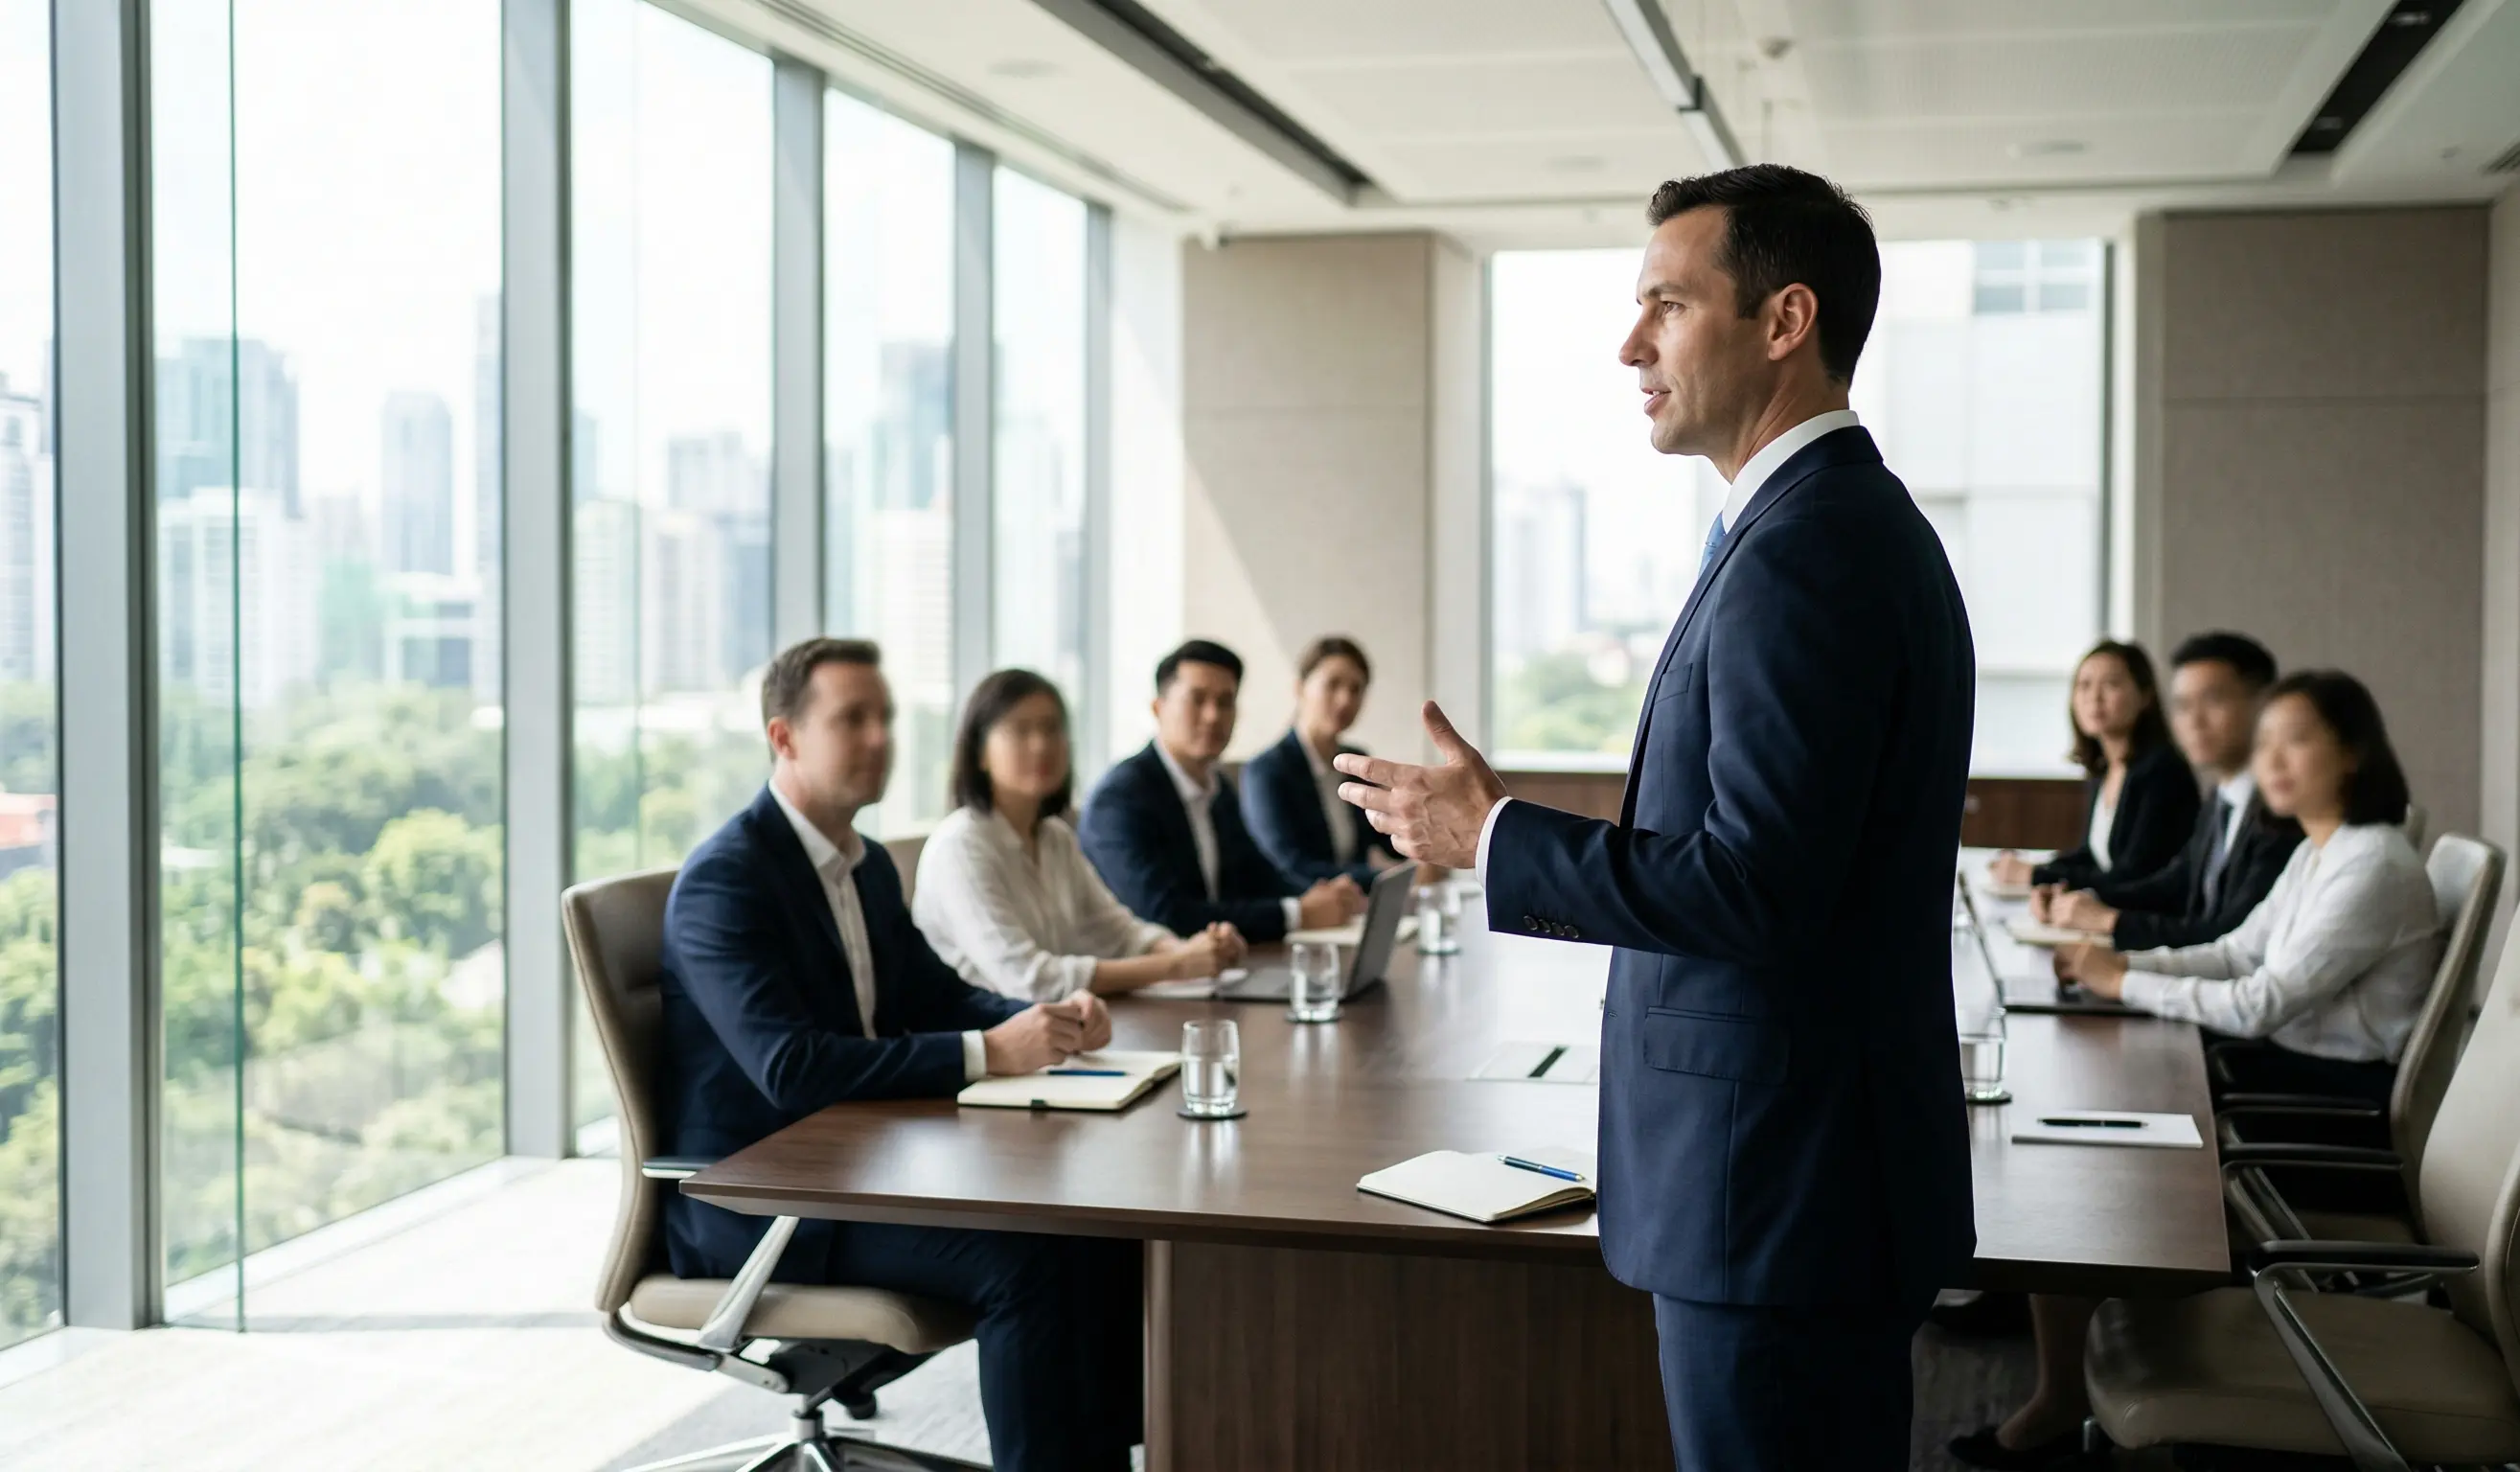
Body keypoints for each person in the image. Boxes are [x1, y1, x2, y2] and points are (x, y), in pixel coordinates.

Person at [1333, 165, 1976, 1469]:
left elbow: (1756, 887)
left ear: (1782, 320)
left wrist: (1496, 836)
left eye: (1667, 306)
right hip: (1790, 1179)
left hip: (1775, 1192)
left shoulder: (1808, 545)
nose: (1630, 343)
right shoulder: (1811, 523)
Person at [656, 637, 1141, 1472]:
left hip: (857, 1167)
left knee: (1092, 1226)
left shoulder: (867, 865)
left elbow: (934, 997)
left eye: (884, 717)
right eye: (853, 720)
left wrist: (1043, 1020)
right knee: (1024, 1257)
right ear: (785, 738)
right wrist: (990, 1050)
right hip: (760, 1202)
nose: (879, 737)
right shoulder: (727, 881)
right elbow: (794, 1068)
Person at [1952, 670, 2440, 1469]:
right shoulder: (2326, 850)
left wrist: (2127, 979)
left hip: (2327, 1108)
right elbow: (2234, 951)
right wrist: (2124, 960)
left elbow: (2261, 1001)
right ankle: (2067, 1373)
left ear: (2352, 753)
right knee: (2094, 1118)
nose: (2272, 757)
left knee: (2092, 1152)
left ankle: (2076, 1382)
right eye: (2268, 740)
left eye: (2298, 739)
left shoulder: (2371, 864)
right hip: (2284, 1077)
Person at [915, 668, 1247, 1000]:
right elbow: (1031, 980)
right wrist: (1175, 966)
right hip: (991, 1040)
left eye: (1052, 728)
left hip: (1062, 1028)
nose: (1041, 744)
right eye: (1021, 730)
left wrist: (1196, 951)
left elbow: (1119, 932)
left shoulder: (1054, 837)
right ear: (980, 752)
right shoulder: (960, 846)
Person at [1078, 639, 1363, 944]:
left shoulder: (1218, 786)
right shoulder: (1120, 799)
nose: (1213, 716)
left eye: (1225, 702)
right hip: (1145, 979)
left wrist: (1322, 896)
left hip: (1220, 965)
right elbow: (1166, 914)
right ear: (1158, 708)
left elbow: (1259, 876)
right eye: (1197, 700)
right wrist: (1297, 913)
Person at [2033, 632, 2302, 950]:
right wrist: (2082, 899)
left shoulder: (2282, 810)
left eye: (2213, 700)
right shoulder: (2222, 797)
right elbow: (2177, 881)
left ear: (2264, 704)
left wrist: (2110, 920)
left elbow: (2230, 936)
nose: (2195, 720)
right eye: (2184, 705)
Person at [1988, 640, 2198, 893]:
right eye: (2084, 685)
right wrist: (2032, 867)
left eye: (2111, 684)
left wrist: (2036, 874)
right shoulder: (2106, 770)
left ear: (2145, 696)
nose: (2094, 698)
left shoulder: (2163, 772)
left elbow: (2134, 875)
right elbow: (2092, 857)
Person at [1240, 635, 1404, 887]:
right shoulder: (1266, 771)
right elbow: (1290, 865)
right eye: (1333, 684)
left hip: (1355, 911)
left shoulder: (1356, 762)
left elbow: (1387, 838)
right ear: (1299, 688)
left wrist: (1423, 858)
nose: (1345, 700)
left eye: (1356, 689)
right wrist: (1384, 878)